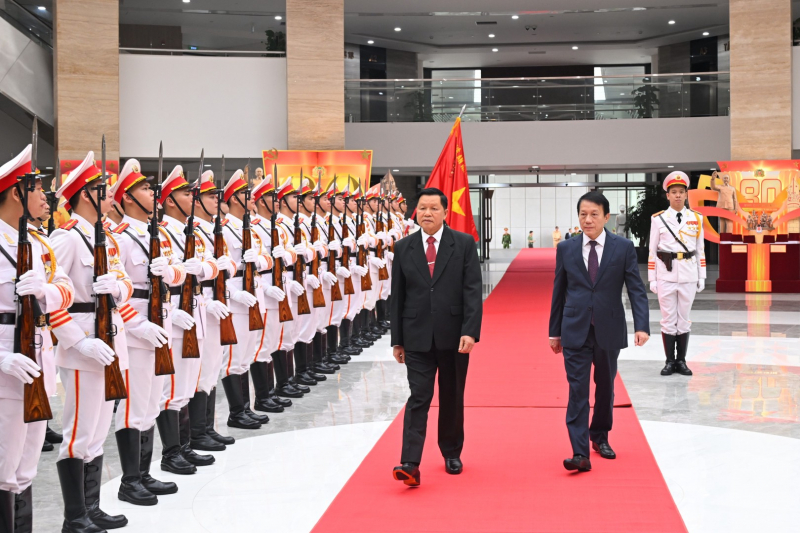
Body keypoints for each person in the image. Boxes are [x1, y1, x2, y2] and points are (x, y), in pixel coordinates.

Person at [52, 151, 134, 531]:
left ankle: (92, 507)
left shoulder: (107, 238)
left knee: (99, 431)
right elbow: (49, 300)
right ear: (85, 195)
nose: (110, 198)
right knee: (79, 433)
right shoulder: (66, 239)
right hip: (84, 346)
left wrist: (116, 286)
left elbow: (127, 283)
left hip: (112, 340)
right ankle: (74, 516)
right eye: (103, 191)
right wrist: (77, 341)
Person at [0, 145, 74, 533]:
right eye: (38, 188)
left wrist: (46, 291)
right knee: (3, 465)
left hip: (39, 362)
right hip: (6, 367)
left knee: (26, 465)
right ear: (16, 193)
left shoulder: (40, 243)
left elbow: (67, 289)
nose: (46, 196)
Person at [548, 191, 649, 473]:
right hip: (574, 329)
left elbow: (636, 289)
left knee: (605, 388)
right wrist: (554, 332)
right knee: (577, 390)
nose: (588, 220)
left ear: (607, 217)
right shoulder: (566, 248)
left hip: (609, 327)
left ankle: (600, 436)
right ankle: (579, 452)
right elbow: (559, 291)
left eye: (594, 214)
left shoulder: (623, 247)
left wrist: (642, 325)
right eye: (583, 214)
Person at [391, 187, 482, 487]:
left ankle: (451, 452)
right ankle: (410, 462)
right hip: (417, 337)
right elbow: (398, 297)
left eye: (433, 208)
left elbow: (472, 291)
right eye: (422, 208)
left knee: (452, 396)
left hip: (454, 336)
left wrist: (470, 331)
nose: (426, 213)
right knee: (419, 397)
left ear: (445, 212)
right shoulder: (404, 248)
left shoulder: (464, 244)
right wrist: (397, 340)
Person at [109, 159, 185, 505]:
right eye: (143, 189)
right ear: (126, 198)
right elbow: (112, 293)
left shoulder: (161, 235)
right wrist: (136, 325)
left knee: (153, 401)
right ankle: (129, 479)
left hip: (162, 322)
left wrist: (169, 273)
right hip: (135, 328)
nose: (152, 195)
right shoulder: (119, 238)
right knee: (134, 405)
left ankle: (144, 471)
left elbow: (181, 275)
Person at [648, 171, 706, 377]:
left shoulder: (697, 218)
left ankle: (681, 361)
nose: (678, 195)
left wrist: (702, 276)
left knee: (684, 319)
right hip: (666, 275)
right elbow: (653, 251)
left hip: (689, 274)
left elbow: (700, 249)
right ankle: (669, 361)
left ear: (687, 194)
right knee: (667, 319)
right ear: (668, 195)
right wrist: (652, 278)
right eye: (674, 192)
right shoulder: (658, 220)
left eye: (682, 192)